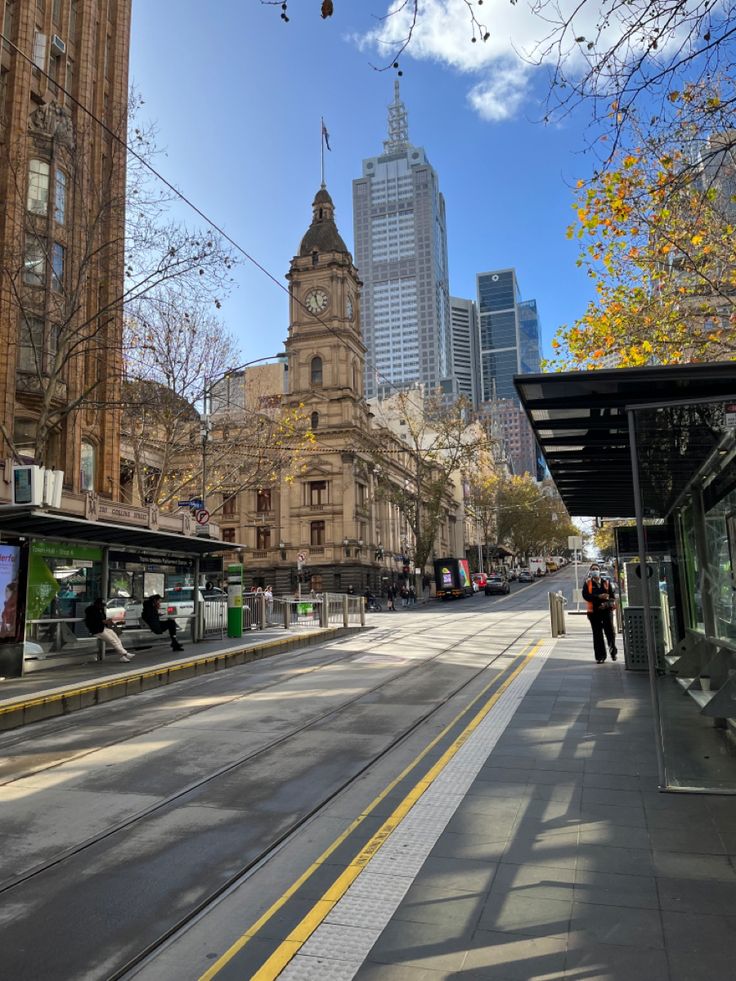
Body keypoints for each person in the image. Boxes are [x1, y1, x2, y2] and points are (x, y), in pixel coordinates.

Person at [582, 564, 618, 663]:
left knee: (610, 633)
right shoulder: (587, 583)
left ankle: (613, 652)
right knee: (597, 635)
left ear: (599, 571)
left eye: (596, 569)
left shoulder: (606, 582)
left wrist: (606, 604)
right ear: (590, 571)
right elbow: (586, 596)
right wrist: (599, 597)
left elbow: (612, 598)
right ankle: (600, 657)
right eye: (593, 569)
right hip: (594, 613)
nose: (595, 571)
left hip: (606, 611)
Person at [84, 598, 134, 663]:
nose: (102, 606)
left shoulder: (100, 610)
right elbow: (93, 621)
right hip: (97, 630)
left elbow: (102, 618)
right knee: (112, 641)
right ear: (97, 604)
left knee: (116, 639)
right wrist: (103, 621)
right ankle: (125, 654)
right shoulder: (90, 610)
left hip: (103, 628)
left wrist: (106, 621)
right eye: (101, 605)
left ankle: (123, 657)